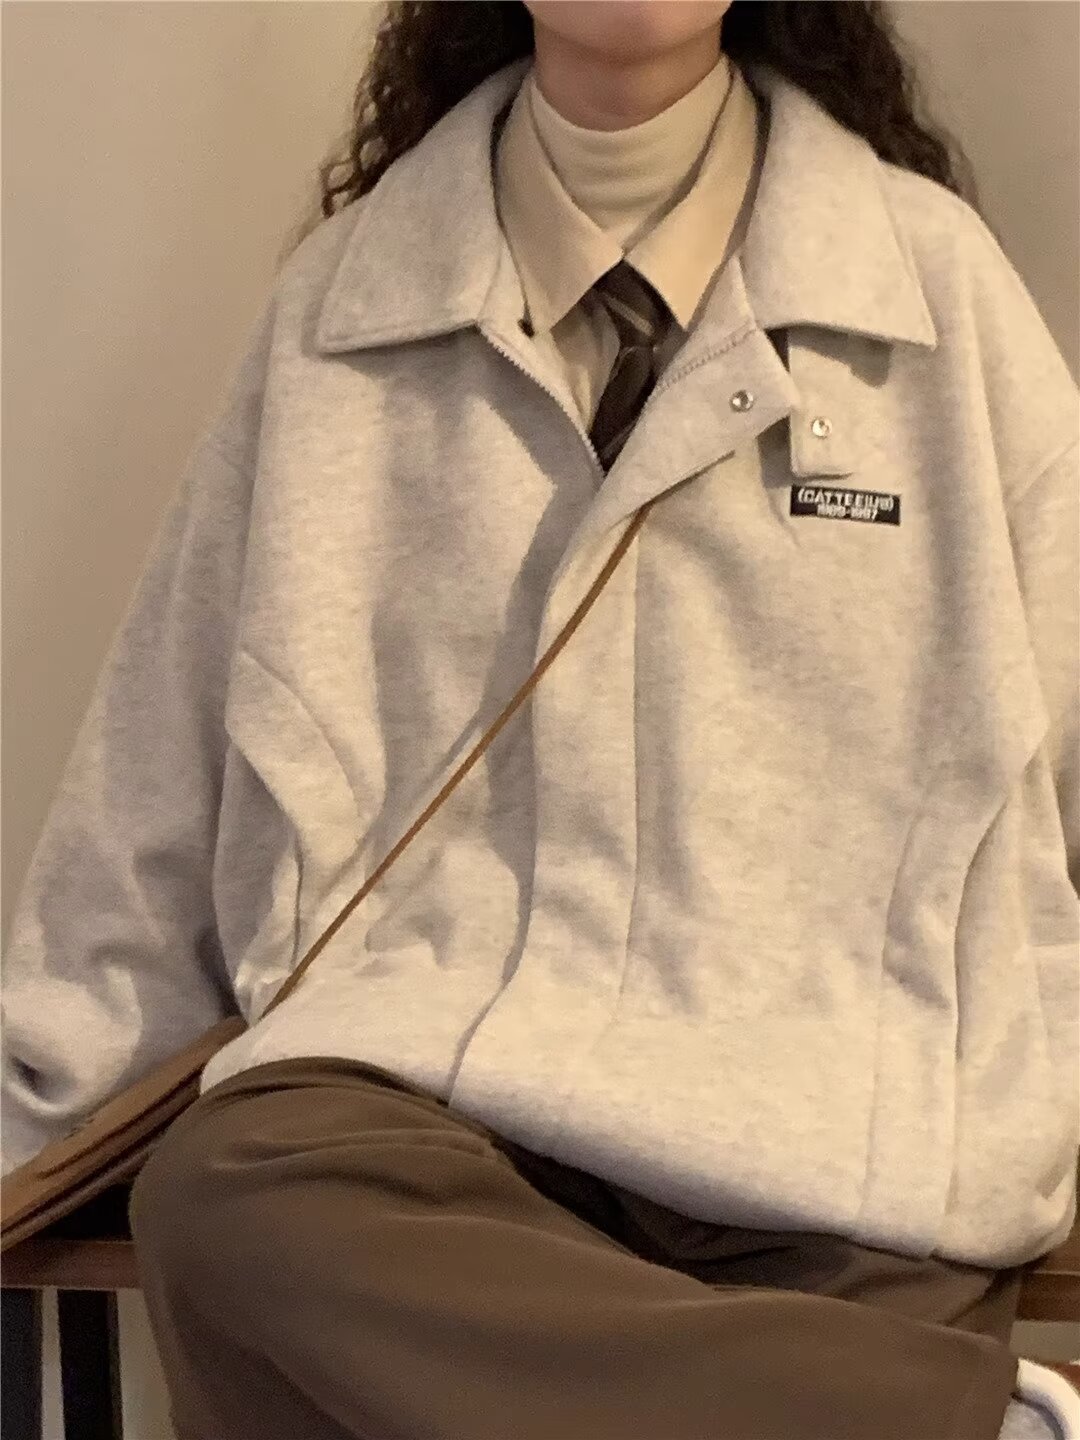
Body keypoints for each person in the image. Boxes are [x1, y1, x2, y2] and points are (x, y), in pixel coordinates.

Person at [2, 2, 1077, 1437]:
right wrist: (37, 1107)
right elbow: (169, 753)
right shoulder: (342, 312)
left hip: (844, 1134)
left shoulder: (936, 293)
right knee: (227, 1193)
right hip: (428, 1122)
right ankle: (965, 1422)